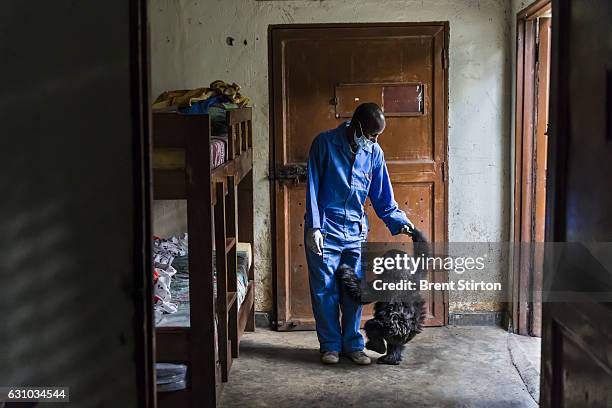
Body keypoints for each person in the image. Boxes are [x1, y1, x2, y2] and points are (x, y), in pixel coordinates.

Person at [304, 102, 415, 365]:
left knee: (353, 293)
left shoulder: (374, 153)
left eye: (378, 136)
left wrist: (399, 220)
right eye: (372, 135)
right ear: (357, 126)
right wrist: (314, 228)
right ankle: (330, 346)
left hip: (355, 232)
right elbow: (312, 188)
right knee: (325, 291)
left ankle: (352, 345)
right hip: (326, 232)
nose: (375, 141)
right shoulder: (324, 144)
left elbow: (383, 197)